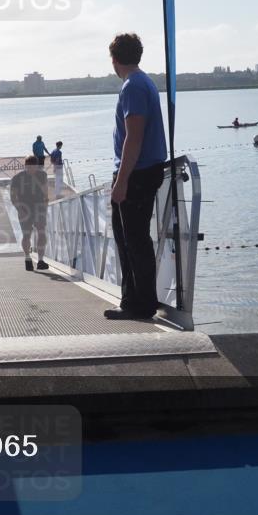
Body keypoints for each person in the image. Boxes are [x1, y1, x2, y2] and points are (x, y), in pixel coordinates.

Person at [104, 33, 168, 321]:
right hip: (143, 171)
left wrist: (121, 182)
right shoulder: (144, 83)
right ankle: (134, 300)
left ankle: (138, 305)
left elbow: (134, 137)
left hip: (137, 173)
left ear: (115, 60)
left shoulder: (132, 86)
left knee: (132, 240)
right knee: (132, 239)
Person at [9, 156, 49, 271]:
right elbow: (13, 196)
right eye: (29, 167)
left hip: (39, 207)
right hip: (24, 208)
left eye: (34, 167)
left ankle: (40, 260)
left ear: (37, 166)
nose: (32, 169)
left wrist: (45, 206)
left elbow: (46, 193)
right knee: (26, 235)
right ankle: (27, 258)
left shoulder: (42, 175)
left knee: (41, 232)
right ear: (25, 166)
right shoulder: (17, 178)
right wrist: (19, 210)